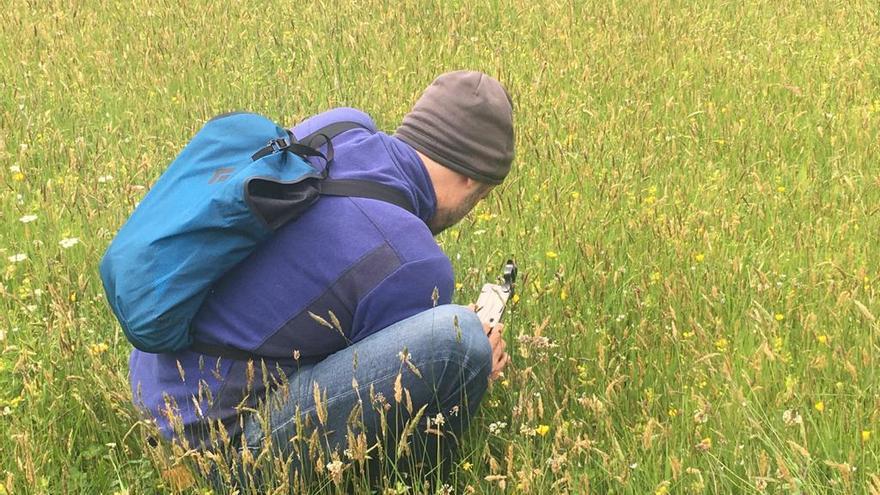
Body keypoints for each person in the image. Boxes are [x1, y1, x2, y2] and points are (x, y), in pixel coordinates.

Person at [129, 70, 515, 487]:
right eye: (481, 197)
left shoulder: (339, 128)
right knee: (460, 342)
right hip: (215, 447)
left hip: (152, 379)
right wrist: (470, 365)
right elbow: (400, 394)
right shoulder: (415, 261)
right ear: (470, 179)